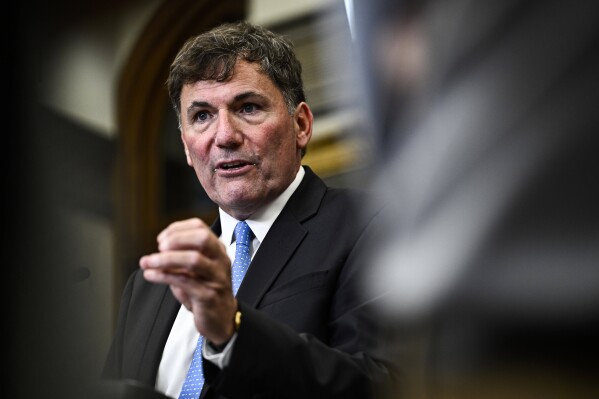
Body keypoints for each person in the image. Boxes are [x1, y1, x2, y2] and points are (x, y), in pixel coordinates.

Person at [102, 21, 396, 399]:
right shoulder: (148, 286)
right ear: (187, 148)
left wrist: (233, 331)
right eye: (202, 116)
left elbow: (384, 384)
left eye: (248, 107)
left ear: (301, 124)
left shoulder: (369, 225)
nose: (224, 136)